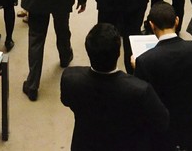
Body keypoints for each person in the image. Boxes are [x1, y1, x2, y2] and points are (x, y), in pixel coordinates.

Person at [60, 23, 169, 151]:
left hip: (85, 144)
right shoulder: (140, 90)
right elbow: (162, 121)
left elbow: (66, 100)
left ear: (88, 51)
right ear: (118, 53)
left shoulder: (70, 79)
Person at [134, 2, 192, 151]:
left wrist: (135, 67)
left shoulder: (144, 60)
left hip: (159, 126)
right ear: (177, 21)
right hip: (189, 117)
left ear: (152, 25)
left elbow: (140, 99)